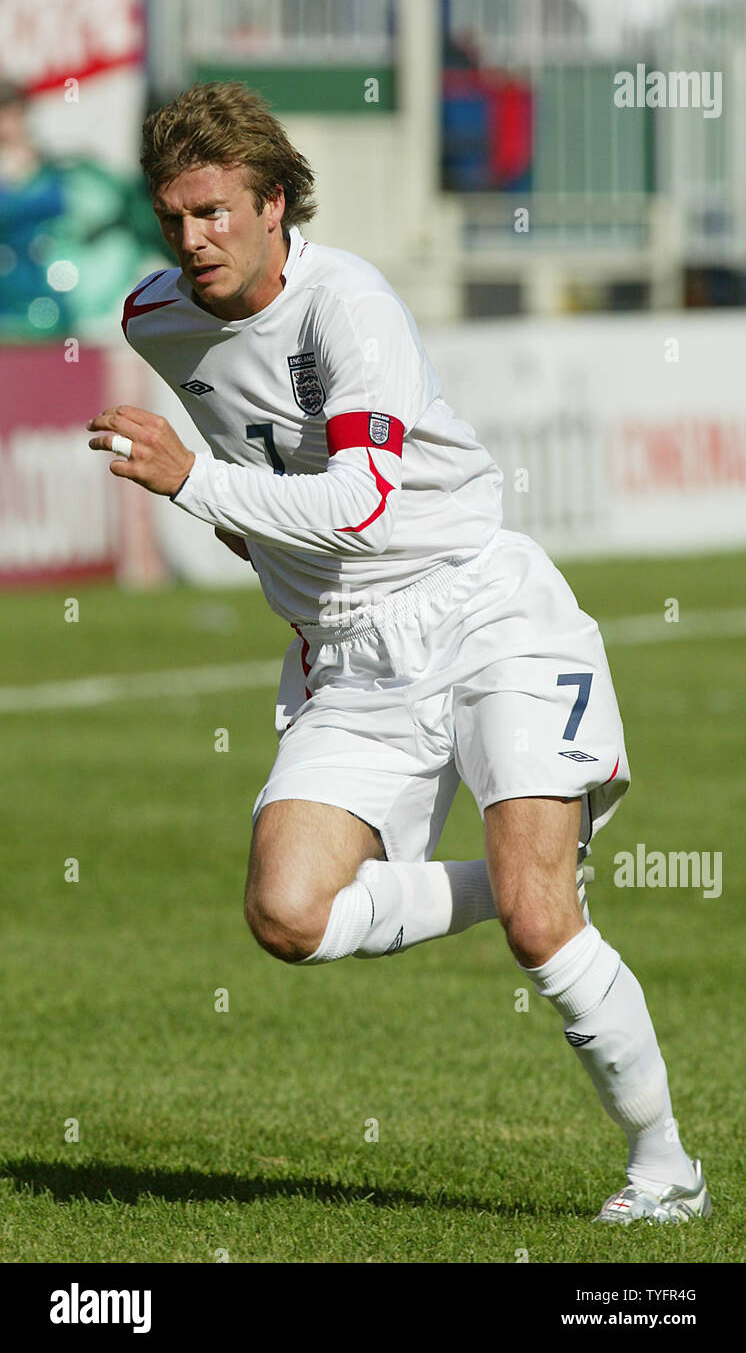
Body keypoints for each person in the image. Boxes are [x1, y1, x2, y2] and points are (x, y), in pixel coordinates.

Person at [88, 81, 710, 1226]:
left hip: (477, 610)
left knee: (541, 930)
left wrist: (190, 482)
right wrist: (228, 512)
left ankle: (665, 1168)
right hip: (349, 658)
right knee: (286, 915)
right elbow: (253, 479)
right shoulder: (154, 319)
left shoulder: (350, 307)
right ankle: (527, 877)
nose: (193, 238)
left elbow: (365, 499)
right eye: (173, 216)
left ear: (275, 203)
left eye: (217, 211)